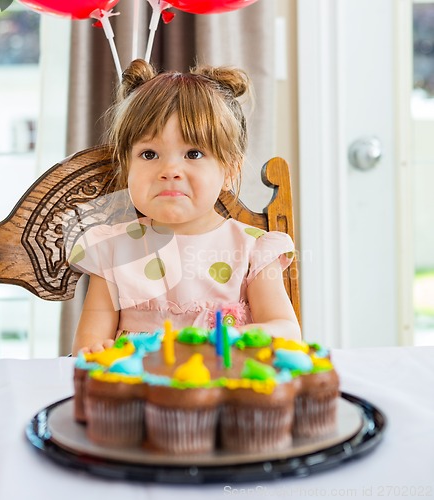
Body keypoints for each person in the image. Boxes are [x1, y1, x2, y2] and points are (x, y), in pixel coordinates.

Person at [69, 59, 301, 354]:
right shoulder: (114, 249)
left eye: (193, 153)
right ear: (127, 167)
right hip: (141, 391)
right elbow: (86, 346)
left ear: (230, 171)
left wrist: (234, 337)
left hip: (224, 391)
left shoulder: (253, 250)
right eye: (149, 154)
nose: (170, 170)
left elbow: (287, 332)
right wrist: (98, 351)